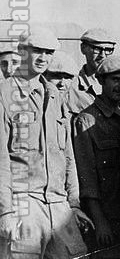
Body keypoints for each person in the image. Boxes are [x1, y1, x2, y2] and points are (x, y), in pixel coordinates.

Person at [0, 28, 91, 258]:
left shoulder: (55, 95)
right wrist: (5, 211)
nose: (43, 58)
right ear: (22, 52)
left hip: (58, 203)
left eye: (48, 52)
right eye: (36, 51)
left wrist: (75, 204)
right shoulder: (5, 94)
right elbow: (1, 159)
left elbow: (67, 155)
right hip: (23, 202)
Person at [74, 55, 120, 259]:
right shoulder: (86, 120)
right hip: (106, 220)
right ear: (101, 81)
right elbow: (87, 177)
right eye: (116, 80)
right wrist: (100, 221)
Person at [67, 27, 117, 116]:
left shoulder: (117, 86)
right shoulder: (71, 87)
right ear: (83, 48)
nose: (102, 55)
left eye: (108, 50)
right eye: (97, 49)